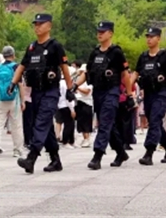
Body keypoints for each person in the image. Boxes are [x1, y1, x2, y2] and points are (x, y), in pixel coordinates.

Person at [8, 13, 74, 174]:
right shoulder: (32, 47)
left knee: (41, 123)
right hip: (36, 92)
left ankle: (31, 158)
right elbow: (22, 66)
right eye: (35, 24)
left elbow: (64, 68)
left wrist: (69, 89)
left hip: (51, 91)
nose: (37, 27)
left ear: (49, 26)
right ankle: (55, 160)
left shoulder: (55, 46)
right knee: (46, 126)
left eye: (41, 24)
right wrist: (13, 83)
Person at [74, 20, 131, 170]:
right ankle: (120, 152)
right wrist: (75, 85)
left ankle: (97, 155)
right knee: (108, 124)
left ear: (110, 33)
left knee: (104, 123)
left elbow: (125, 74)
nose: (99, 34)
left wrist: (130, 95)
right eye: (98, 32)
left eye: (103, 32)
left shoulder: (116, 52)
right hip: (98, 92)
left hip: (111, 91)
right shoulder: (95, 53)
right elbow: (87, 73)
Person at [131, 26, 166, 166]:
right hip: (148, 95)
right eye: (147, 36)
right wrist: (128, 88)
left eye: (152, 37)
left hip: (161, 94)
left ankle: (149, 152)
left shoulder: (165, 57)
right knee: (155, 123)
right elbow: (136, 73)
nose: (149, 39)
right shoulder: (143, 57)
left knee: (155, 120)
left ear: (158, 38)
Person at [0, 46, 26, 158]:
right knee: (16, 125)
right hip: (14, 99)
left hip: (1, 99)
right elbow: (20, 85)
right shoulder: (16, 67)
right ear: (13, 55)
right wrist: (23, 101)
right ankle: (17, 150)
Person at [74, 64, 94, 148]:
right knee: (80, 121)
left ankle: (87, 138)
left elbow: (87, 91)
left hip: (87, 102)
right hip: (79, 101)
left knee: (86, 121)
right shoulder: (78, 79)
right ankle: (84, 137)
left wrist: (77, 87)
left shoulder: (89, 81)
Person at [56, 79, 76, 148]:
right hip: (66, 106)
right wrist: (72, 110)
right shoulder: (65, 84)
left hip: (61, 105)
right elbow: (68, 97)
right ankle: (66, 141)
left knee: (71, 124)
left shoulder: (59, 83)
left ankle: (71, 141)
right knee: (69, 124)